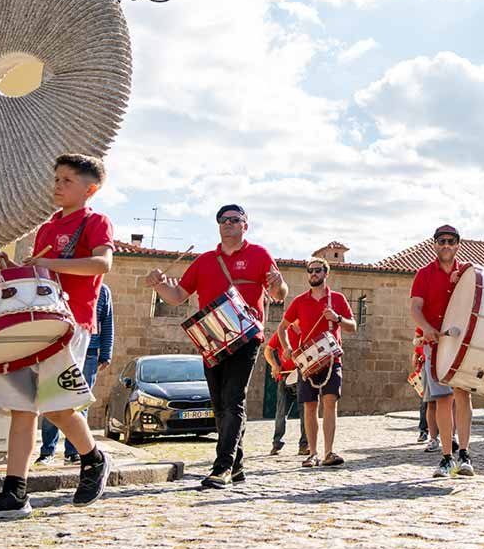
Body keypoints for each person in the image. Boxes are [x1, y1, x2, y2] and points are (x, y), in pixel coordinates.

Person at [0, 154, 114, 520]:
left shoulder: (96, 221)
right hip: (32, 322)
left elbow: (102, 264)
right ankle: (14, 493)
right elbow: (37, 276)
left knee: (57, 407)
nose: (58, 185)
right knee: (22, 408)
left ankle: (94, 458)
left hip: (70, 321)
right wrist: (13, 268)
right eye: (57, 179)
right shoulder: (48, 227)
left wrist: (47, 263)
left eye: (67, 180)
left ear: (89, 189)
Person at [148, 204, 287, 488]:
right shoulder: (204, 261)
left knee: (233, 398)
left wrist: (279, 284)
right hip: (211, 340)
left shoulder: (259, 255)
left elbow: (277, 293)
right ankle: (236, 465)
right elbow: (177, 295)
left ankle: (221, 467)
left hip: (246, 337)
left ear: (245, 225)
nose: (228, 224)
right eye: (223, 220)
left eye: (235, 220)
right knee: (220, 403)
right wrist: (158, 285)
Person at [410, 224, 476, 478]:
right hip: (435, 344)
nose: (446, 245)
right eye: (441, 241)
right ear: (434, 244)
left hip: (462, 345)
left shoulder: (468, 272)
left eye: (451, 241)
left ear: (458, 244)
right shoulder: (424, 274)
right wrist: (425, 328)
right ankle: (447, 457)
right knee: (442, 400)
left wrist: (462, 283)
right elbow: (415, 308)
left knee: (462, 395)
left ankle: (465, 455)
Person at [278, 257, 355, 467]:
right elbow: (281, 328)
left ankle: (329, 452)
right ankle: (312, 453)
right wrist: (287, 348)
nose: (313, 273)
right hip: (308, 361)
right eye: (310, 270)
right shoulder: (300, 301)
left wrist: (337, 318)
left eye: (318, 270)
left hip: (331, 359)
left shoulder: (337, 299)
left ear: (325, 273)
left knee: (331, 403)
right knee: (310, 406)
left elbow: (352, 326)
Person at [37, 282, 114, 464]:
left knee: (80, 403)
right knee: (53, 400)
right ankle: (47, 452)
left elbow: (107, 322)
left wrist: (106, 354)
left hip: (90, 353)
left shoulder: (103, 291)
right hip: (61, 348)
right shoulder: (61, 284)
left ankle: (75, 452)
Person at [263, 324, 308, 456]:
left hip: (303, 376)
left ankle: (304, 445)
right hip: (285, 377)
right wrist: (274, 366)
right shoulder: (284, 333)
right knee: (281, 412)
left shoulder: (308, 330)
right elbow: (268, 351)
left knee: (305, 411)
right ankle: (277, 443)